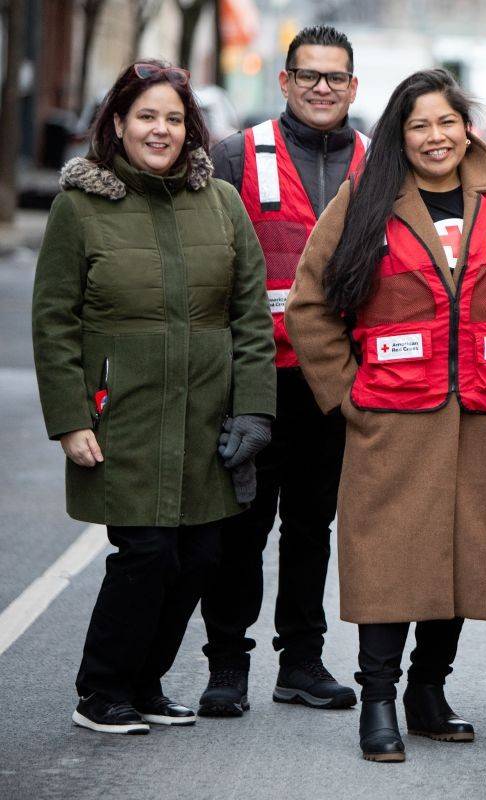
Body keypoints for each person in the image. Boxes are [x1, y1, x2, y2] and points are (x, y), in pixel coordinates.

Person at [284, 68, 486, 763]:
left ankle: (427, 691)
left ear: (465, 126)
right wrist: (347, 394)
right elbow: (308, 306)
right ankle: (377, 701)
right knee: (390, 563)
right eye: (419, 126)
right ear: (399, 136)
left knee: (464, 562)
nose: (436, 137)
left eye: (446, 122)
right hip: (394, 423)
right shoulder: (365, 199)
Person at [32, 60, 276, 735]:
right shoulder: (78, 208)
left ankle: (146, 684)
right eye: (146, 116)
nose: (159, 129)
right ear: (118, 123)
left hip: (204, 418)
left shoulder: (222, 204)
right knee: (146, 554)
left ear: (190, 127)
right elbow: (54, 320)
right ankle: (100, 690)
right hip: (125, 416)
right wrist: (69, 419)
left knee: (199, 557)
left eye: (172, 117)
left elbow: (251, 315)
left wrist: (254, 409)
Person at [197, 24, 368, 719]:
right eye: (309, 76)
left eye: (335, 78)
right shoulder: (237, 155)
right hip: (256, 379)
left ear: (353, 87)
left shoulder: (379, 161)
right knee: (242, 525)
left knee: (311, 526)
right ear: (285, 82)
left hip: (334, 382)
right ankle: (227, 666)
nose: (321, 88)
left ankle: (301, 660)